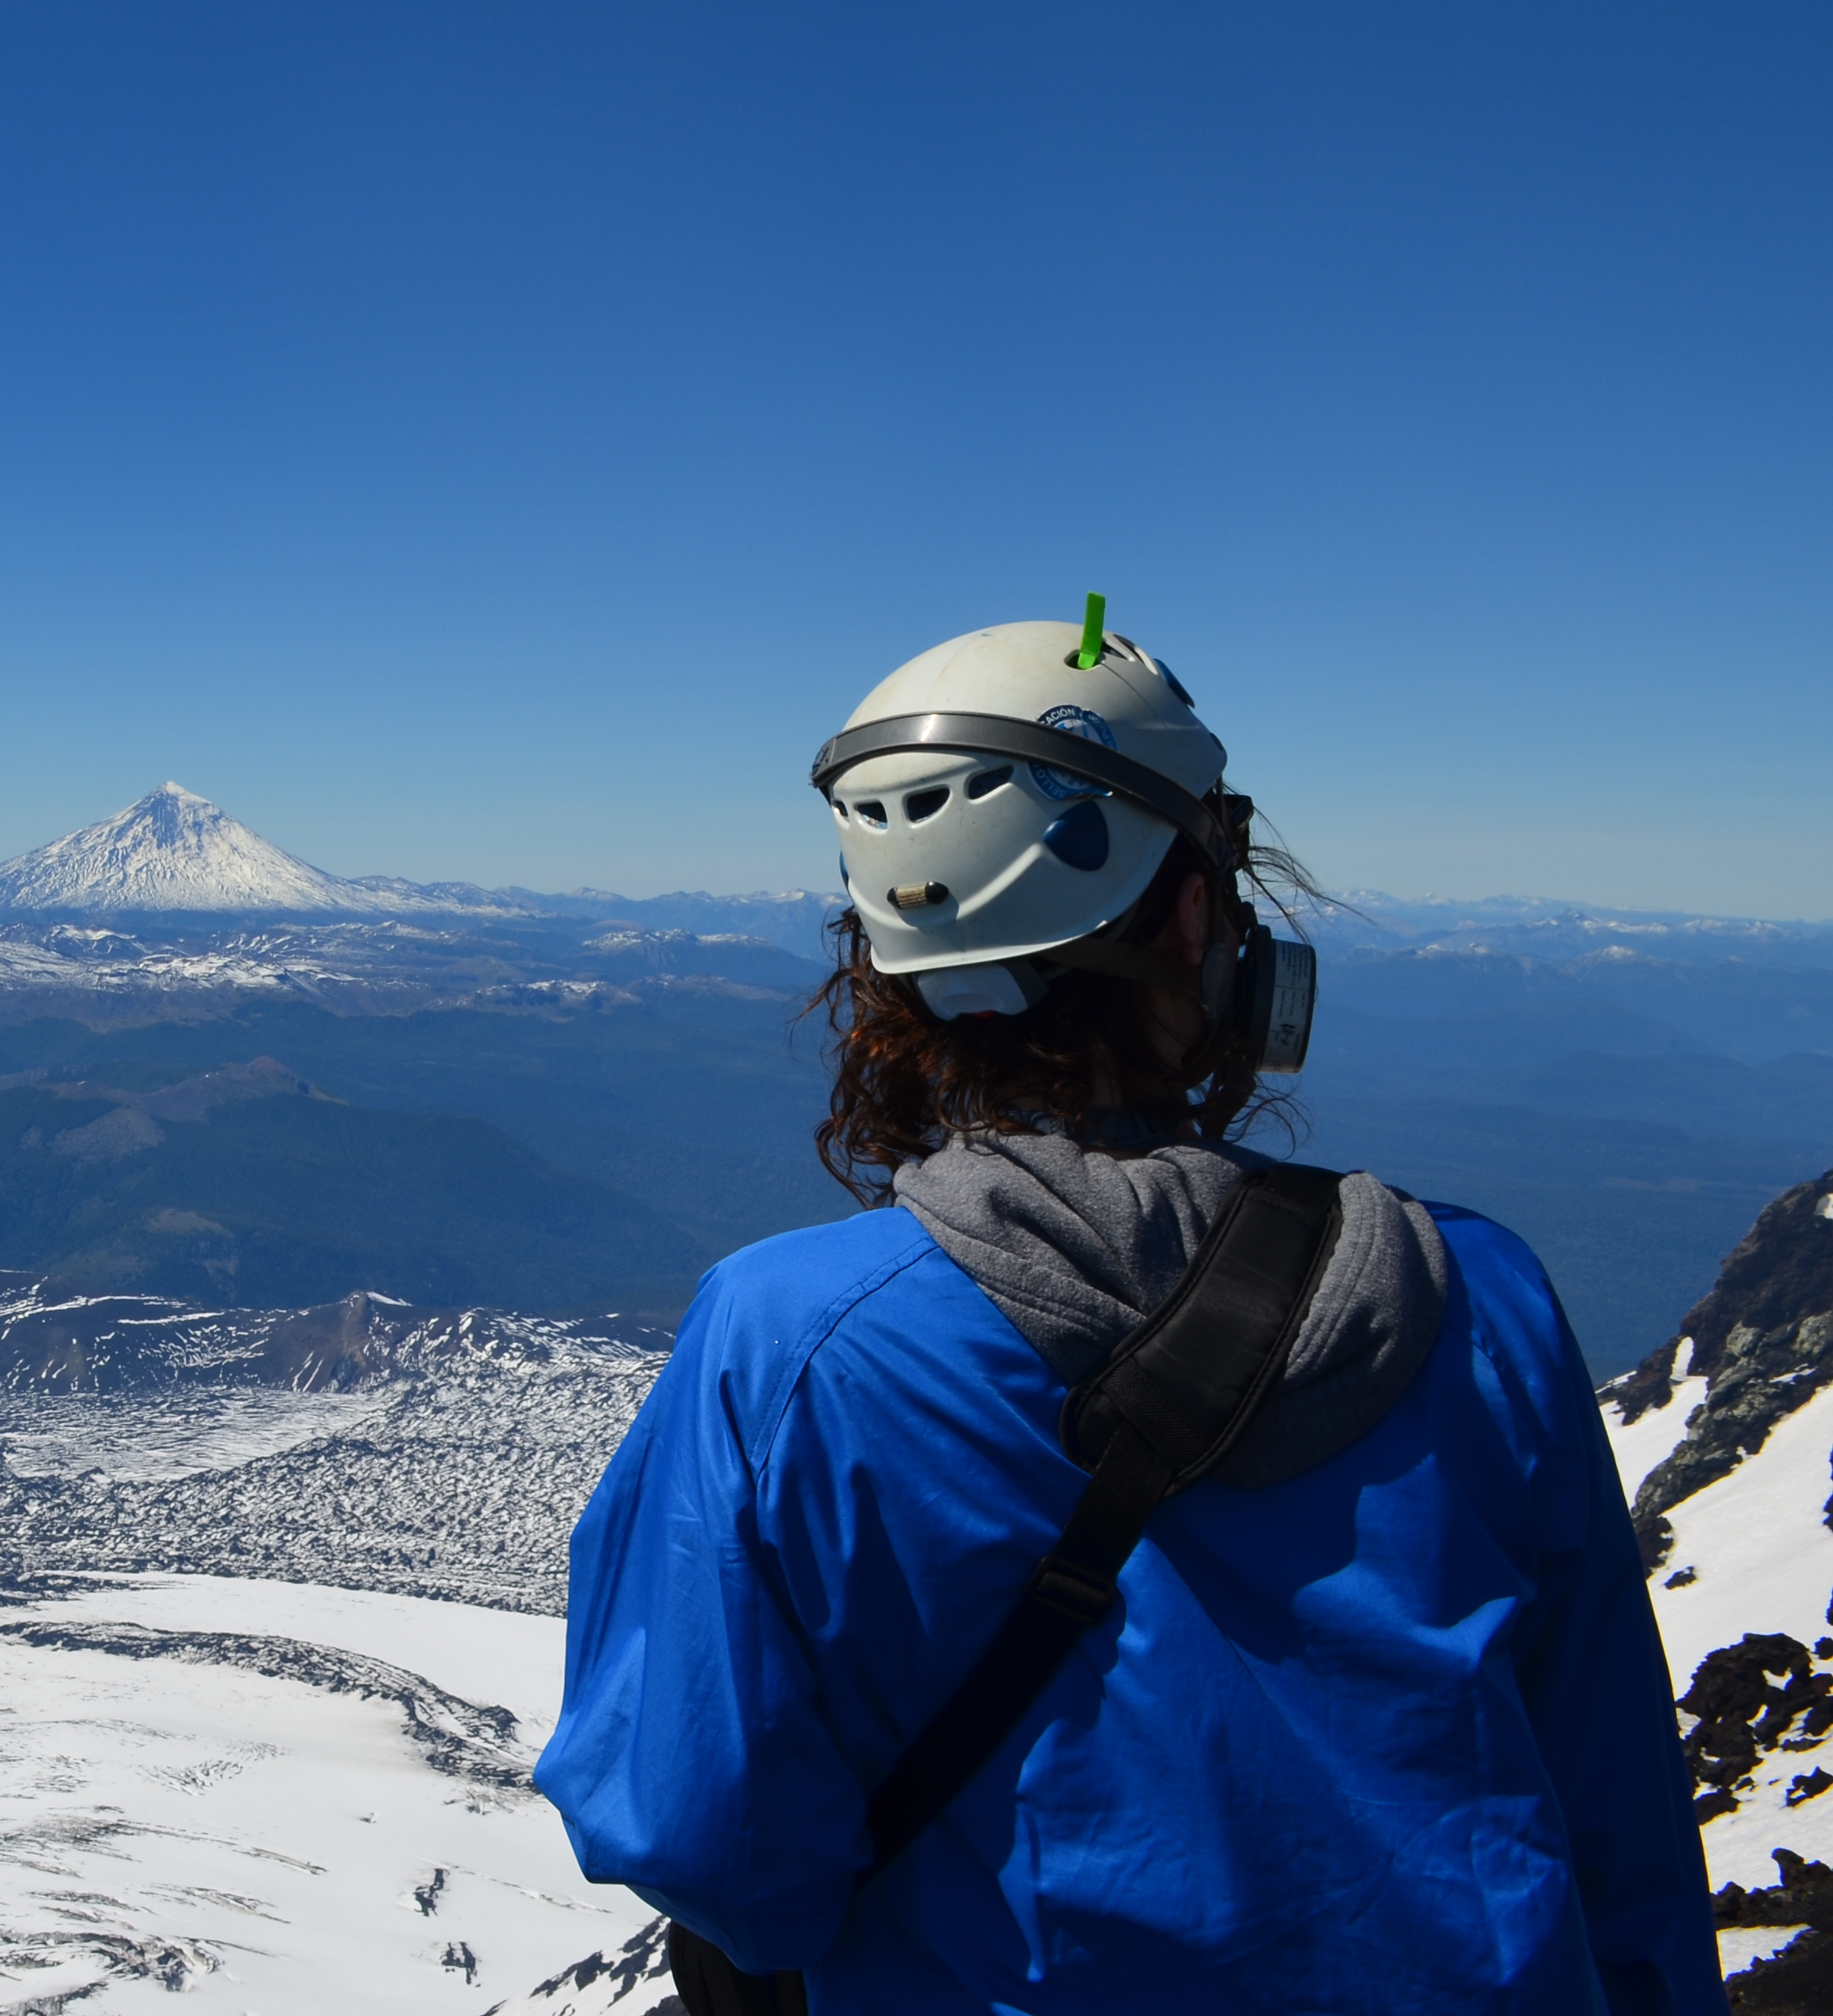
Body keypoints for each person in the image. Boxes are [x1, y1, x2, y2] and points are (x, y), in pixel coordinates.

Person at [533, 610, 1722, 2015]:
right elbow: (1620, 1829)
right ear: (1192, 917)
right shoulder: (1482, 1299)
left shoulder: (787, 1345)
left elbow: (720, 1850)